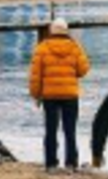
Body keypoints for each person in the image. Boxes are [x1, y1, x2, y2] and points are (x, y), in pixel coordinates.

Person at [29, 18, 91, 171]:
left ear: (51, 31)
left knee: (50, 131)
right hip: (70, 95)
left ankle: (51, 164)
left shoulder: (42, 48)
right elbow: (83, 70)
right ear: (66, 31)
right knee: (70, 131)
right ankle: (71, 163)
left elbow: (36, 75)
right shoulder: (75, 47)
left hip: (49, 96)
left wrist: (36, 94)